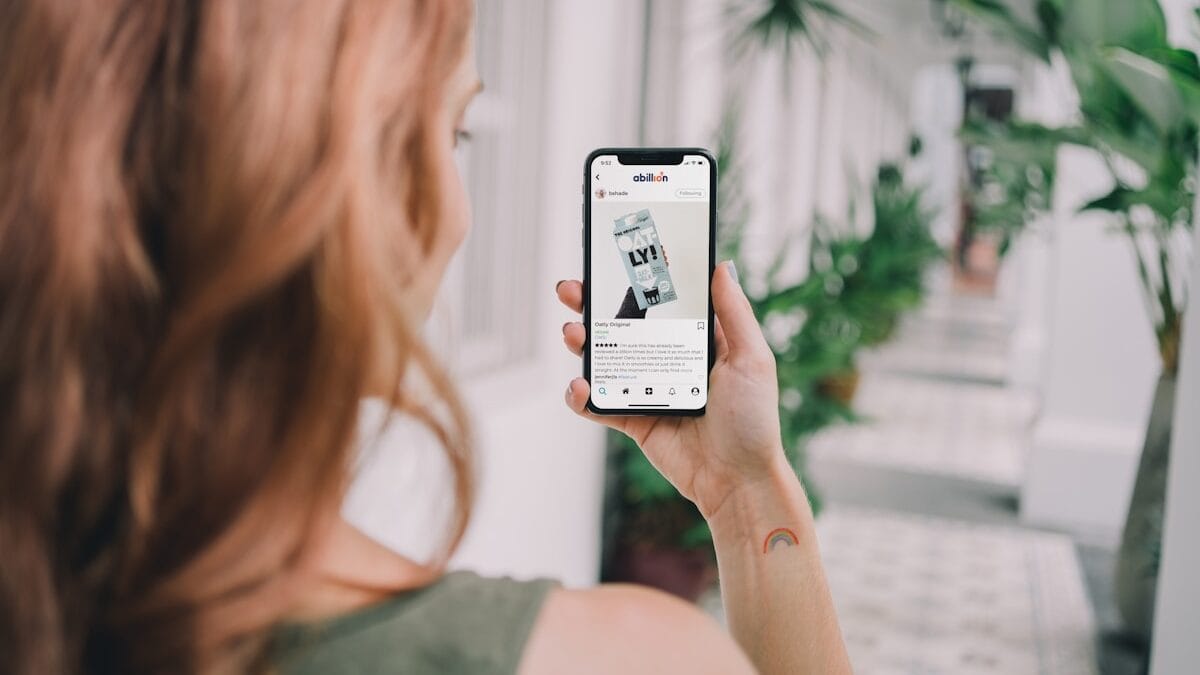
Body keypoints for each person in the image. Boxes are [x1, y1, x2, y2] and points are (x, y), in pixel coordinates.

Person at [0, 1, 851, 673]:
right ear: (304, 182)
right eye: (451, 132)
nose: (457, 209)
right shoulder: (623, 660)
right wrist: (747, 499)